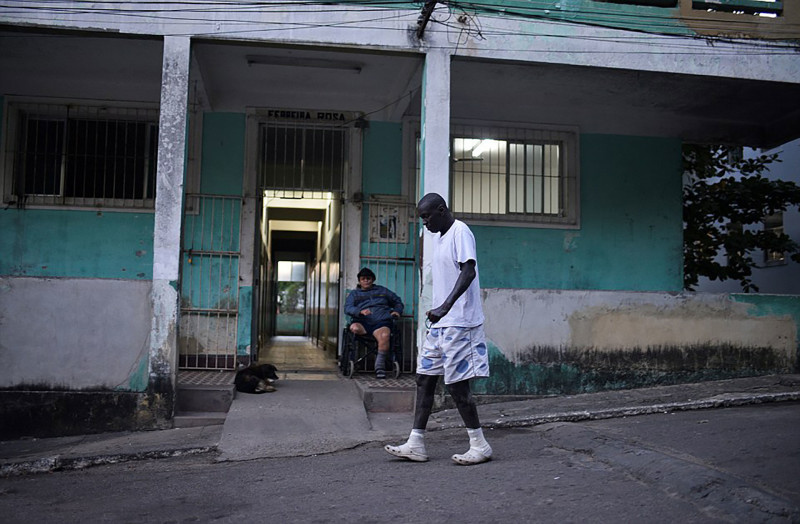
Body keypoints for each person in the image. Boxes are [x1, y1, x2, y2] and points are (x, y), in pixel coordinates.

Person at [384, 192, 492, 465]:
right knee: (424, 379)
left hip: (460, 322)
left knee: (457, 386)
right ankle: (416, 443)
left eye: (426, 217)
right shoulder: (438, 237)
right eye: (422, 218)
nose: (424, 223)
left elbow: (468, 271)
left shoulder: (460, 232)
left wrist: (445, 306)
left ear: (442, 210)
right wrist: (438, 311)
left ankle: (479, 445)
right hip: (440, 323)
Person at [344, 267, 404, 378]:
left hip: (380, 323)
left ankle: (380, 367)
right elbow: (347, 308)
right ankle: (352, 361)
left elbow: (398, 301)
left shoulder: (383, 291)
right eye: (363, 279)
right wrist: (359, 311)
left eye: (368, 278)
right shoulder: (354, 294)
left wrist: (397, 311)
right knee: (354, 328)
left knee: (385, 335)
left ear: (373, 280)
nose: (366, 280)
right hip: (362, 322)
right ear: (359, 281)